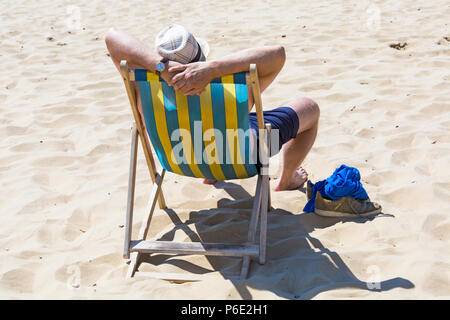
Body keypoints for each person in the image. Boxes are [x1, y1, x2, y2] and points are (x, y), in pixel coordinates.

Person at [105, 26, 320, 192]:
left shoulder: (143, 87)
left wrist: (160, 66)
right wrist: (213, 69)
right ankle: (287, 179)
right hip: (242, 160)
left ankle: (210, 173)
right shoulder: (231, 87)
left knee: (204, 125)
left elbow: (112, 36)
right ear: (201, 59)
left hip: (179, 159)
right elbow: (278, 54)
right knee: (309, 108)